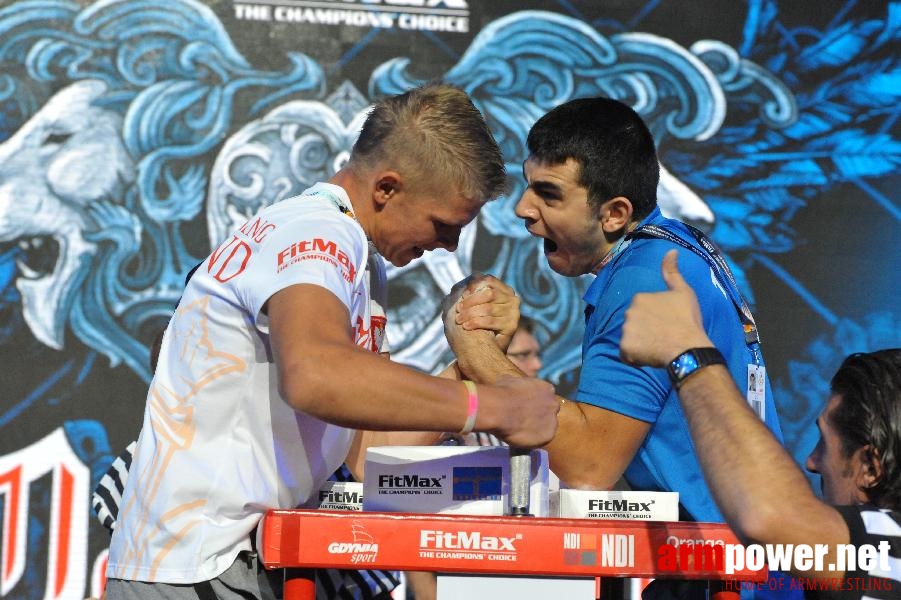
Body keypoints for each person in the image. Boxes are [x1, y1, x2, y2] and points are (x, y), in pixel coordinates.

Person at [104, 82, 559, 600]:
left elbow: (366, 455)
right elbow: (316, 375)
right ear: (386, 188)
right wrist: (492, 406)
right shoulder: (316, 232)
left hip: (233, 561)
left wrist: (465, 364)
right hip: (199, 565)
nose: (448, 245)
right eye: (443, 224)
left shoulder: (361, 261)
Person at [444, 96, 787, 596]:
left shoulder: (643, 280)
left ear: (614, 214)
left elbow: (589, 464)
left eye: (548, 194)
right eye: (527, 183)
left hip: (720, 575)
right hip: (734, 559)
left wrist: (474, 348)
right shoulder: (675, 249)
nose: (523, 208)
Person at [620, 250, 900, 597]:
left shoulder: (892, 550)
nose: (812, 462)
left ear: (871, 468)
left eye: (825, 444)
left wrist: (687, 353)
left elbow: (767, 517)